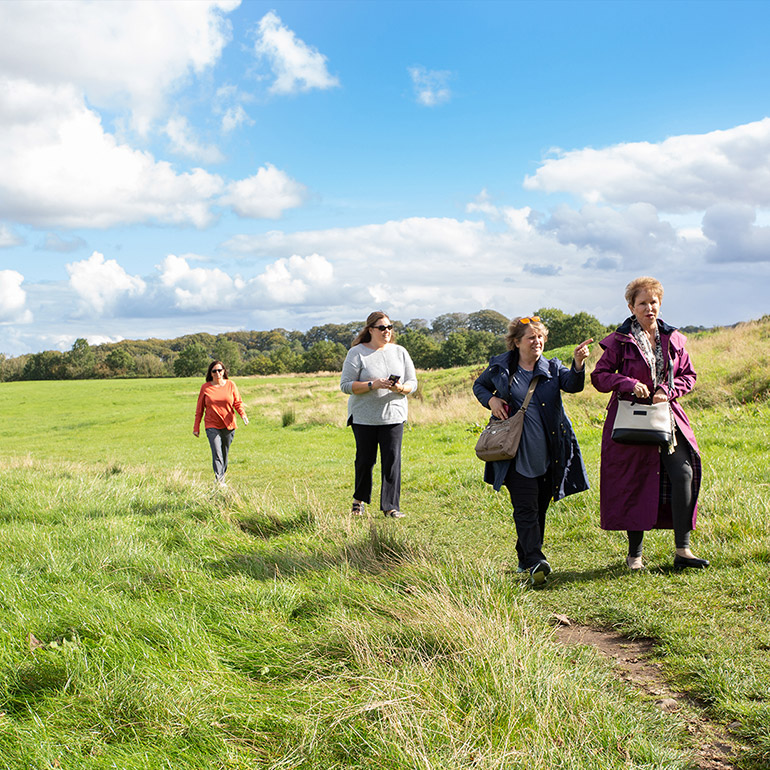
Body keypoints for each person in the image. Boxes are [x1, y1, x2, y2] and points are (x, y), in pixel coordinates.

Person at [591, 276, 708, 571]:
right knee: (637, 480)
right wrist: (628, 382)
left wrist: (667, 390)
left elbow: (689, 376)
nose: (649, 307)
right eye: (642, 303)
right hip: (631, 420)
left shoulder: (674, 338)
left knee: (683, 473)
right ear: (631, 306)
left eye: (653, 302)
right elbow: (599, 376)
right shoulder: (619, 340)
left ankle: (682, 551)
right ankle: (635, 556)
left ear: (660, 303)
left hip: (667, 419)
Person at [473, 316, 592, 585]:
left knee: (539, 509)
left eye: (540, 337)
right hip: (514, 452)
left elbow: (573, 385)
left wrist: (578, 363)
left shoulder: (552, 367)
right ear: (516, 343)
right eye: (530, 337)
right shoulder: (501, 367)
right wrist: (491, 400)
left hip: (549, 451)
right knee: (525, 508)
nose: (537, 341)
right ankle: (536, 560)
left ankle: (524, 556)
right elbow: (479, 386)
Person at [340, 311, 418, 518]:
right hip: (364, 417)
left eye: (390, 327)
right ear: (371, 330)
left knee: (392, 461)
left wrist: (400, 389)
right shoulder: (357, 353)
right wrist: (372, 385)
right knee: (365, 461)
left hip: (393, 415)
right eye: (382, 328)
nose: (387, 331)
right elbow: (346, 386)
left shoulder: (400, 352)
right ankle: (359, 500)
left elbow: (413, 383)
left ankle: (391, 507)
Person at [193, 360, 249, 487]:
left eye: (220, 370)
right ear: (211, 373)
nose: (217, 373)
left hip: (228, 424)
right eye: (214, 371)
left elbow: (237, 403)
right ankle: (219, 481)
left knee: (224, 453)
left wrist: (243, 415)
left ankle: (221, 476)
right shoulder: (205, 388)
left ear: (224, 371)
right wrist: (196, 427)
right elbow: (199, 409)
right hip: (211, 425)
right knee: (217, 453)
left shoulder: (231, 385)